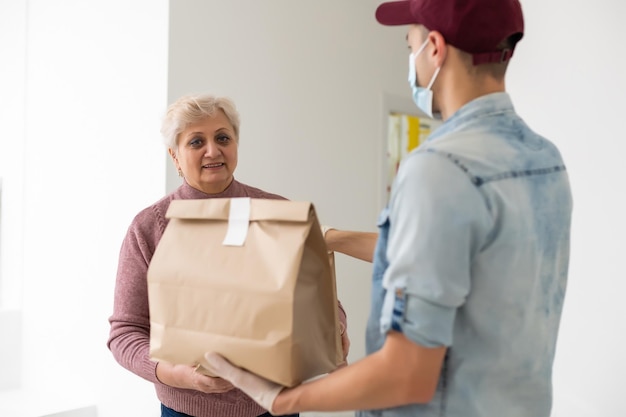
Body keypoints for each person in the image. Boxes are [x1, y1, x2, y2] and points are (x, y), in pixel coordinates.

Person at [204, 1, 573, 417]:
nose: (410, 58)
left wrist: (281, 398)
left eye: (409, 43)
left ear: (434, 48)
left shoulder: (439, 169)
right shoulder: (544, 159)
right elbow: (455, 258)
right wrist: (333, 239)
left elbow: (406, 373)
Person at [107, 93, 350, 417]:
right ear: (174, 156)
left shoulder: (278, 213)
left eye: (223, 137)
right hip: (187, 410)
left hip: (278, 406)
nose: (213, 150)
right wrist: (174, 374)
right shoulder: (150, 227)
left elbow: (319, 300)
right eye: (196, 141)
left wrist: (335, 329)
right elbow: (125, 332)